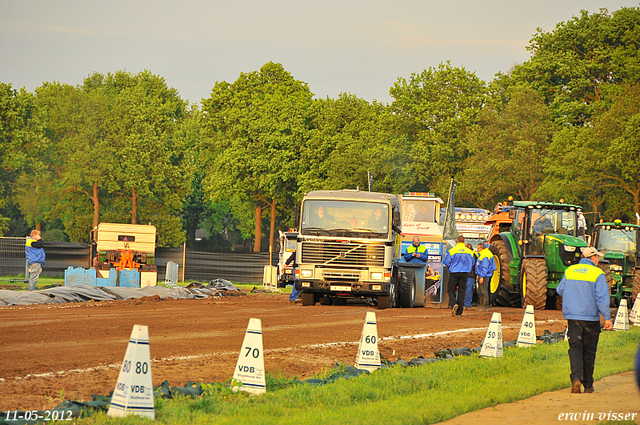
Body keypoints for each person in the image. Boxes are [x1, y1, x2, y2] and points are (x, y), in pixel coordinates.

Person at [556, 246, 613, 394]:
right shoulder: (597, 273)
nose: (598, 260)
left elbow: (560, 290)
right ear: (593, 257)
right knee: (589, 350)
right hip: (590, 318)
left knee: (575, 348)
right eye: (597, 257)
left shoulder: (570, 270)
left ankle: (576, 378)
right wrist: (607, 318)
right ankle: (588, 385)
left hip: (573, 317)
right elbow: (602, 297)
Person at [444, 235, 475, 317]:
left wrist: (452, 266)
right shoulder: (469, 251)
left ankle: (454, 304)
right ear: (464, 242)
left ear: (457, 241)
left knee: (451, 290)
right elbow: (473, 263)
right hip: (464, 273)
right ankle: (459, 312)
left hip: (454, 273)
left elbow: (447, 262)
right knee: (462, 292)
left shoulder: (452, 250)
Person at [475, 243, 496, 311]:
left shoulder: (485, 255)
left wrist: (482, 276)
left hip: (484, 275)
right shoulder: (486, 254)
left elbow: (485, 267)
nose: (477, 250)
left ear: (481, 248)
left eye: (478, 248)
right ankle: (482, 305)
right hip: (483, 275)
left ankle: (484, 306)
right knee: (481, 290)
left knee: (483, 290)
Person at [464, 243, 478, 310]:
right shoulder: (474, 255)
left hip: (469, 275)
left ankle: (467, 304)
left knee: (467, 290)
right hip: (469, 275)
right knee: (468, 290)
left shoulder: (473, 255)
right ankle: (466, 304)